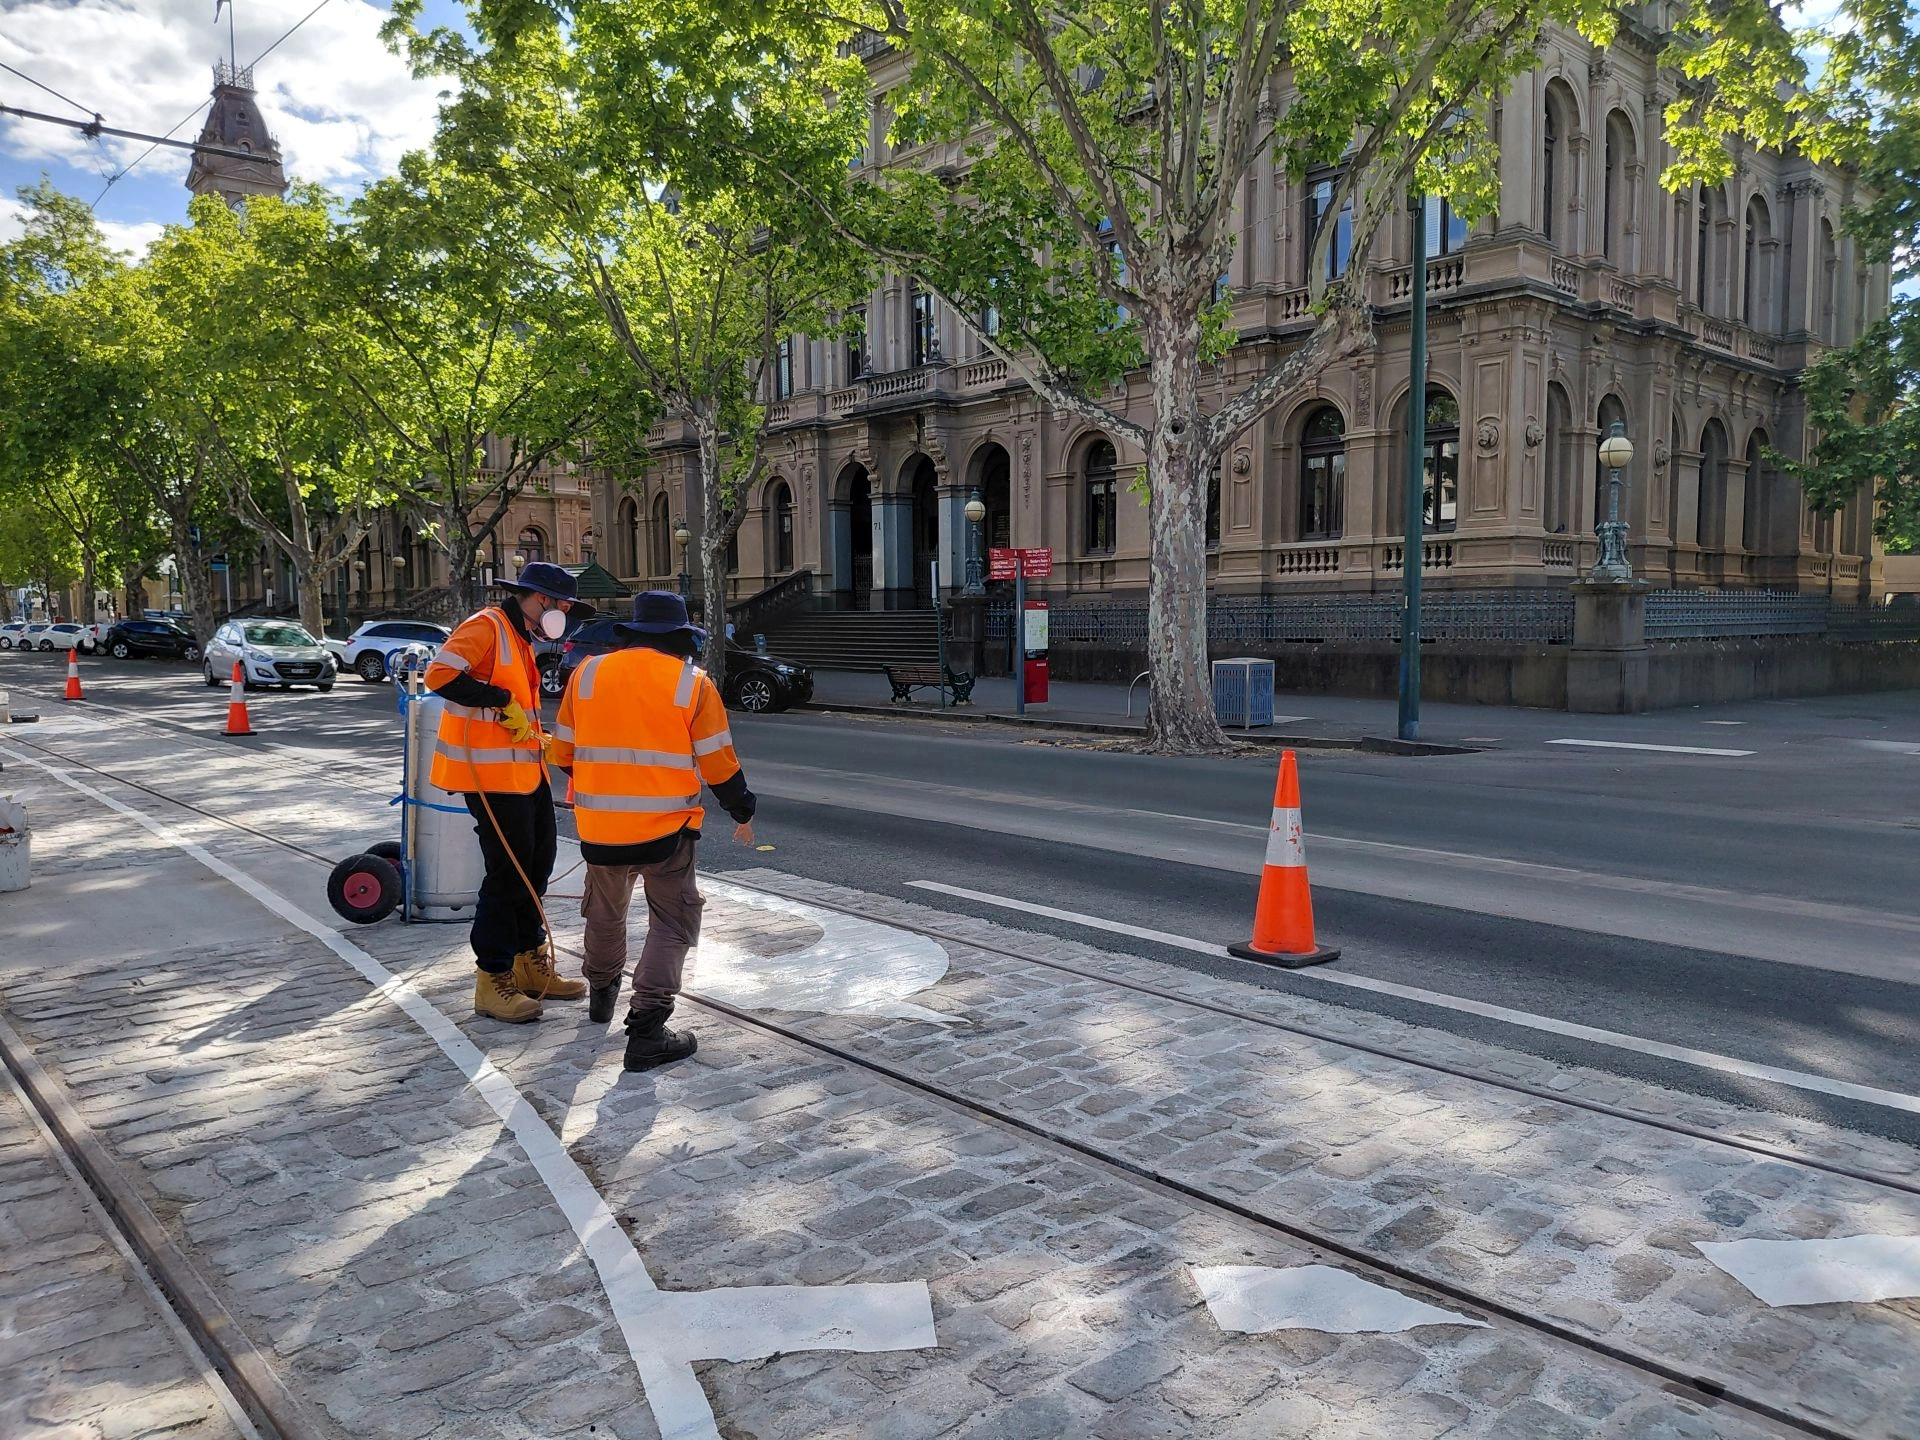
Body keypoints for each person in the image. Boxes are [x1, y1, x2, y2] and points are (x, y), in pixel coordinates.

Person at [550, 590, 756, 1071]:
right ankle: (646, 1032)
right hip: (668, 832)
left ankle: (601, 994)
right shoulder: (692, 684)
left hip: (599, 828)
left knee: (604, 912)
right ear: (680, 638)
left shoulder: (587, 675)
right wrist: (742, 809)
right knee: (672, 922)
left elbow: (562, 754)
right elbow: (719, 764)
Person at [424, 561, 588, 1023]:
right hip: (489, 779)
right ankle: (493, 977)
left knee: (537, 864)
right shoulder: (487, 626)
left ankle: (528, 960)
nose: (564, 612)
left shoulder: (521, 638)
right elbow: (440, 676)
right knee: (508, 875)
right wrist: (497, 700)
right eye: (560, 604)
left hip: (525, 775)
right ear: (534, 598)